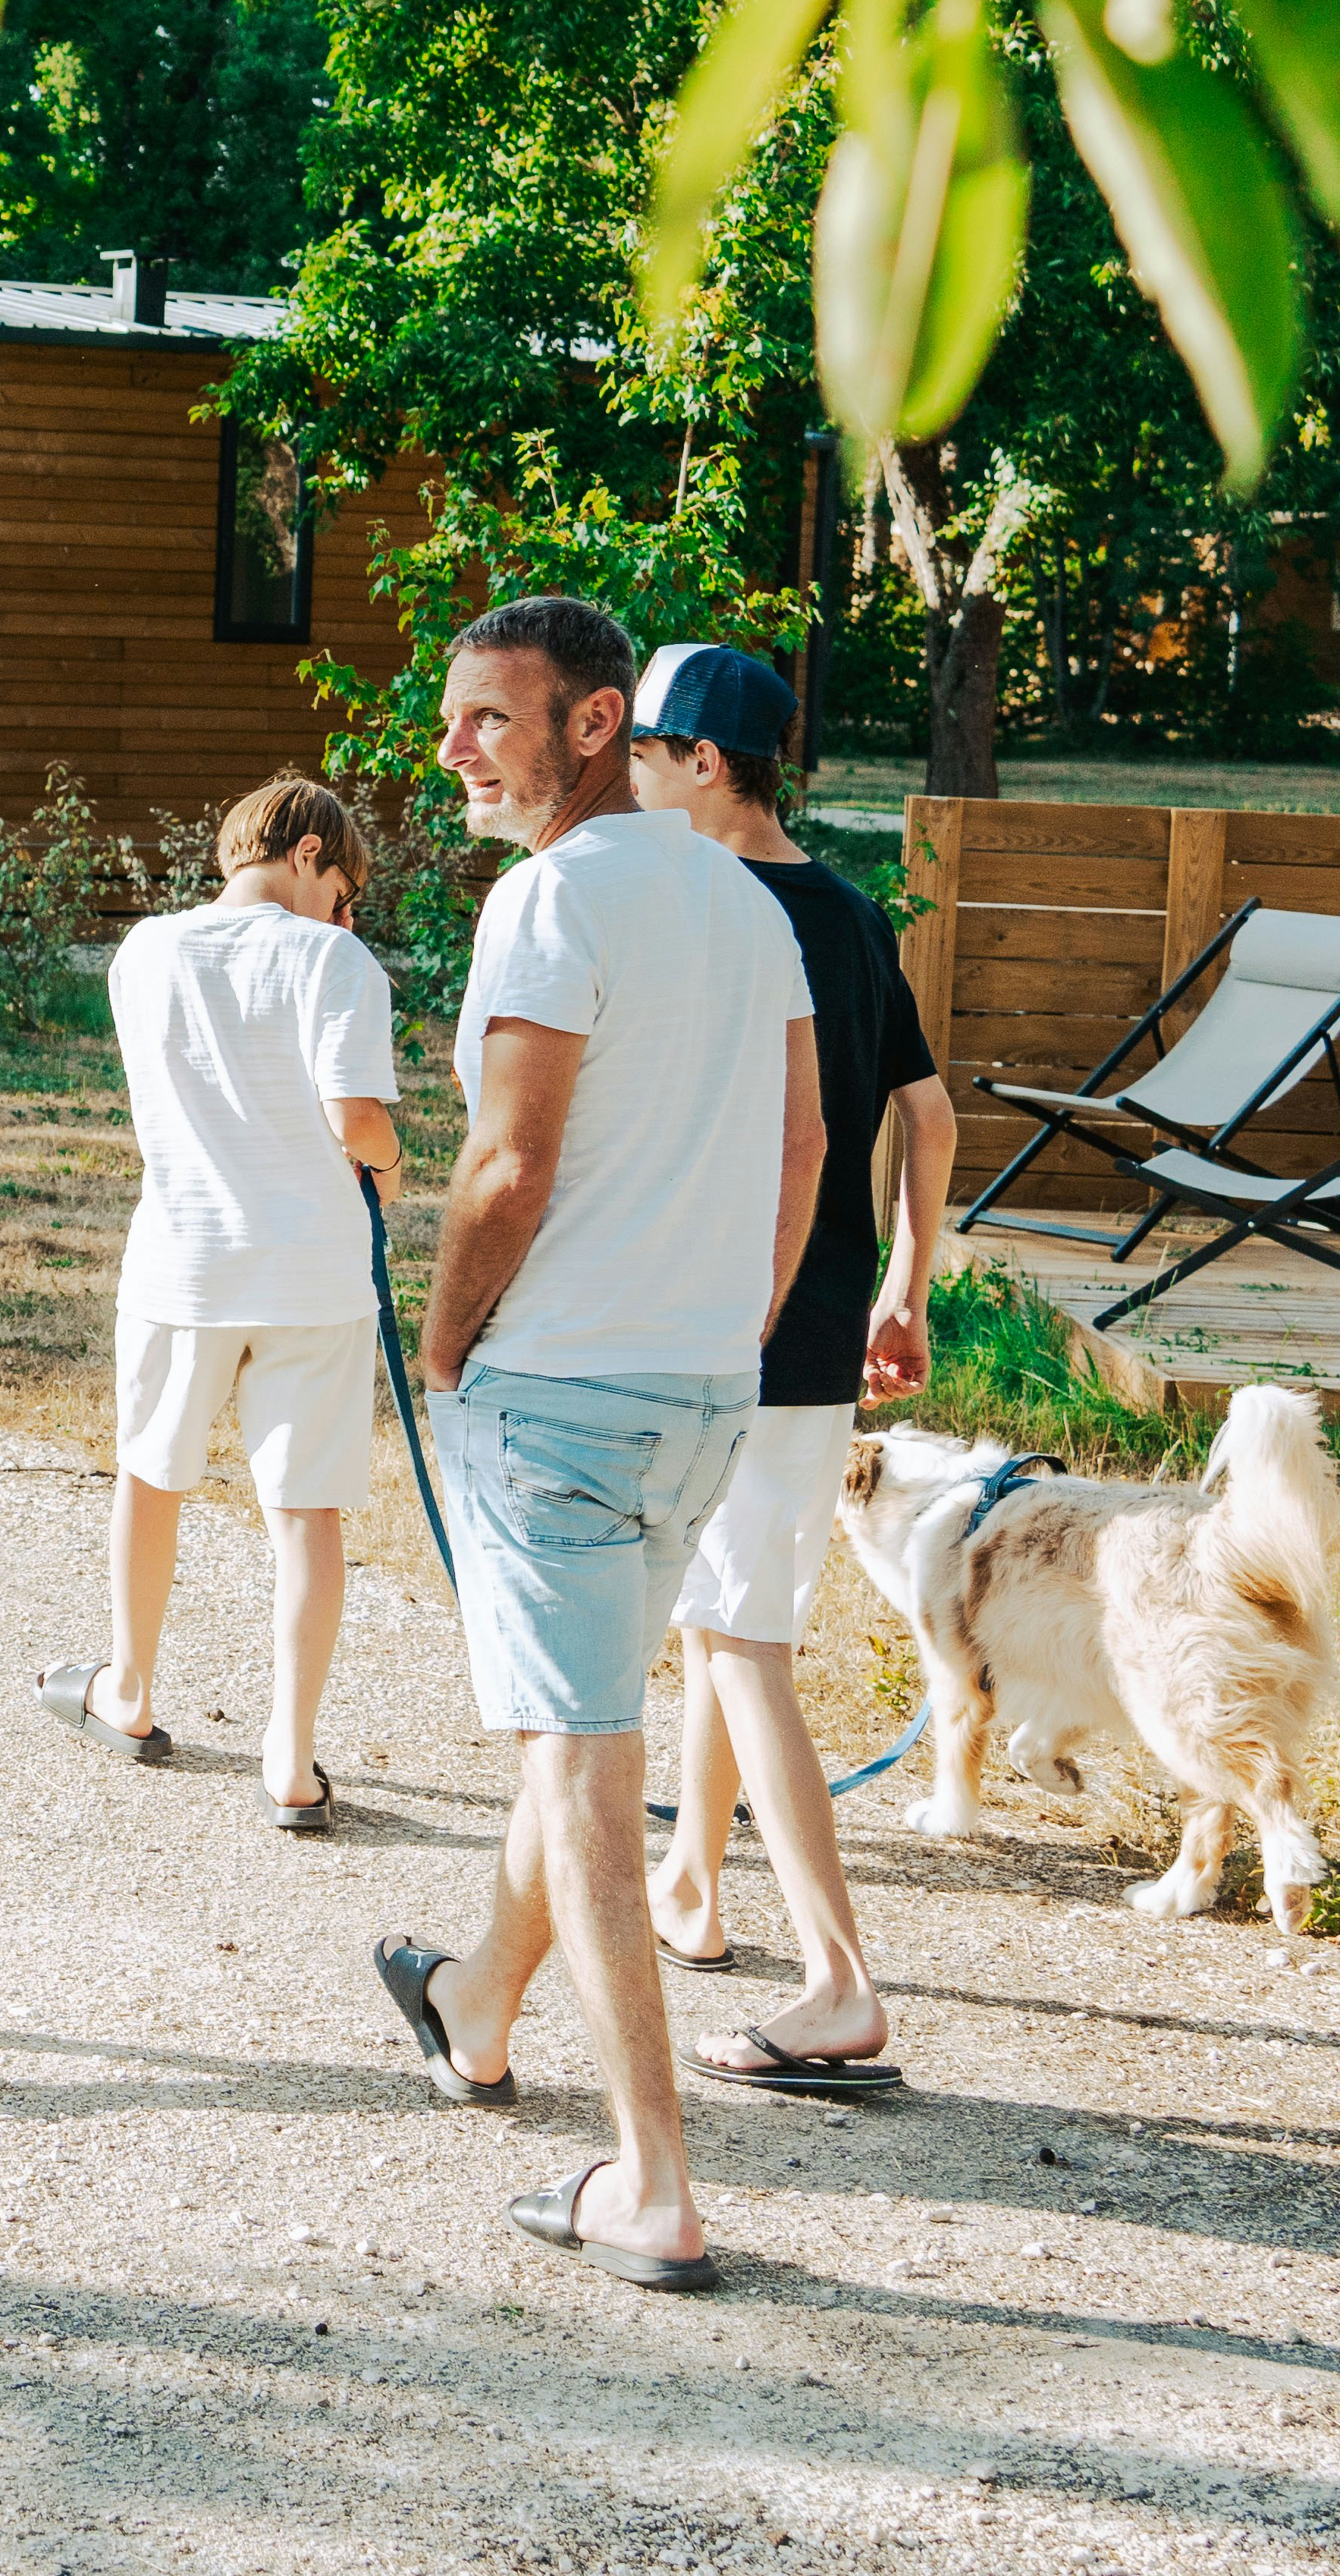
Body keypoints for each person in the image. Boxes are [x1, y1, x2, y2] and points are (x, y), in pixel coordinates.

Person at [371, 595, 821, 2292]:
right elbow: (803, 1151)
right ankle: (477, 2000)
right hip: (704, 1390)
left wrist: (439, 1343)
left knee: (583, 1766)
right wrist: (742, 1327)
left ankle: (652, 2183)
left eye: (490, 717)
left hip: (558, 1387)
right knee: (586, 1728)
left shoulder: (546, 899)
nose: (456, 750)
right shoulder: (739, 890)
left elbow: (508, 1163)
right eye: (454, 718)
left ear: (592, 719)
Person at [623, 642, 948, 2098]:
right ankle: (691, 1885)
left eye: (641, 748)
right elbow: (927, 1118)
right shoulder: (852, 910)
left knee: (743, 1646)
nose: (623, 771)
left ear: (702, 762)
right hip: (817, 1328)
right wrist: (904, 1285)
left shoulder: (704, 909)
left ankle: (839, 1986)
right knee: (726, 1620)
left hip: (717, 1321)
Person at [37, 778, 403, 1826]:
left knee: (151, 1480)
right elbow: (354, 1114)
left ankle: (131, 1689)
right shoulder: (334, 959)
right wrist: (389, 1156)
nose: (346, 914)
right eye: (346, 891)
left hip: (182, 1261)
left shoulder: (143, 950)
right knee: (304, 1514)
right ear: (309, 855)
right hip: (310, 1272)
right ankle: (290, 1760)